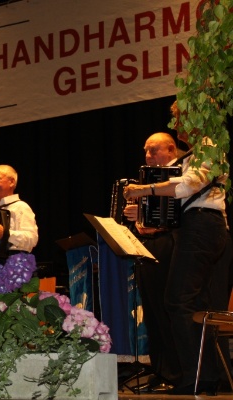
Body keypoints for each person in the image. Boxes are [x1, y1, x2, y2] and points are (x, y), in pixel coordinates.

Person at [124, 101, 232, 395]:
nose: (176, 126)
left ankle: (195, 377)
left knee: (178, 300)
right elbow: (180, 201)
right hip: (195, 226)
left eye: (179, 118)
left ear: (195, 115)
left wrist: (144, 189)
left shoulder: (210, 146)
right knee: (193, 303)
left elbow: (188, 186)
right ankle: (204, 376)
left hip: (202, 226)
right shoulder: (194, 154)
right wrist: (150, 219)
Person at [121, 132, 181, 393]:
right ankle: (160, 369)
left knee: (166, 308)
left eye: (154, 150)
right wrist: (138, 217)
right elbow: (150, 220)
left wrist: (144, 214)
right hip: (150, 245)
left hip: (171, 245)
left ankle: (175, 371)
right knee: (152, 311)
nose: (148, 156)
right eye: (146, 150)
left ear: (171, 150)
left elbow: (175, 216)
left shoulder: (178, 175)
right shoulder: (150, 178)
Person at [0, 165, 38, 253]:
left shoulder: (21, 207)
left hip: (15, 259)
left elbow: (32, 239)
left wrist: (6, 233)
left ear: (11, 182)